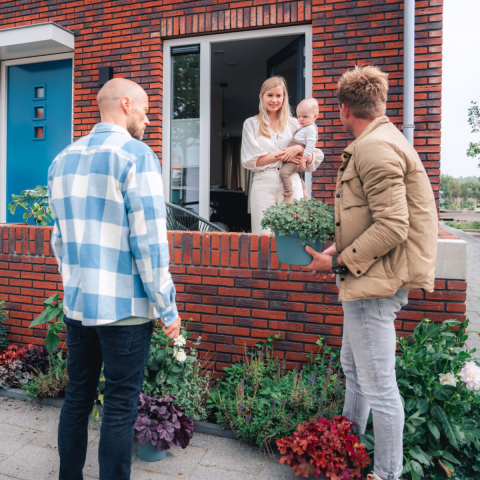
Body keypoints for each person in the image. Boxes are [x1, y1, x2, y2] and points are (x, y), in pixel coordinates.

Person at [305, 65, 438, 480]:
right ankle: (346, 450)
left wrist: (340, 261)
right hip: (371, 278)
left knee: (379, 386)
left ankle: (385, 473)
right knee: (355, 369)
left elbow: (394, 225)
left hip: (374, 285)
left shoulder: (373, 147)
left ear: (344, 109)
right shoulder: (384, 139)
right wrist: (337, 248)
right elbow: (373, 218)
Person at [48, 78, 181, 480]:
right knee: (121, 405)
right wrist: (167, 308)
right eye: (143, 108)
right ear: (125, 104)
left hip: (79, 305)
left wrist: (76, 285)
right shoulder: (137, 155)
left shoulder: (62, 159)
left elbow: (59, 240)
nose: (148, 118)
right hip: (125, 309)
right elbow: (150, 242)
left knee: (77, 398)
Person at [241, 76, 324, 233]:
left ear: (284, 98)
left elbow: (312, 158)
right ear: (261, 96)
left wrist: (300, 150)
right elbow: (251, 161)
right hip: (264, 184)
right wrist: (283, 155)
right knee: (263, 235)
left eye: (279, 95)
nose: (274, 100)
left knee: (294, 234)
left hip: (291, 183)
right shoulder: (251, 124)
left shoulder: (295, 123)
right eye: (270, 95)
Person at [280, 97, 319, 203]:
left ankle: (289, 193)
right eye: (299, 116)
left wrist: (304, 158)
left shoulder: (310, 128)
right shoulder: (305, 127)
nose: (301, 119)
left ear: (315, 116)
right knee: (299, 176)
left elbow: (311, 145)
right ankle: (304, 192)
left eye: (305, 116)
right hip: (299, 160)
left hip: (298, 159)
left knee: (284, 173)